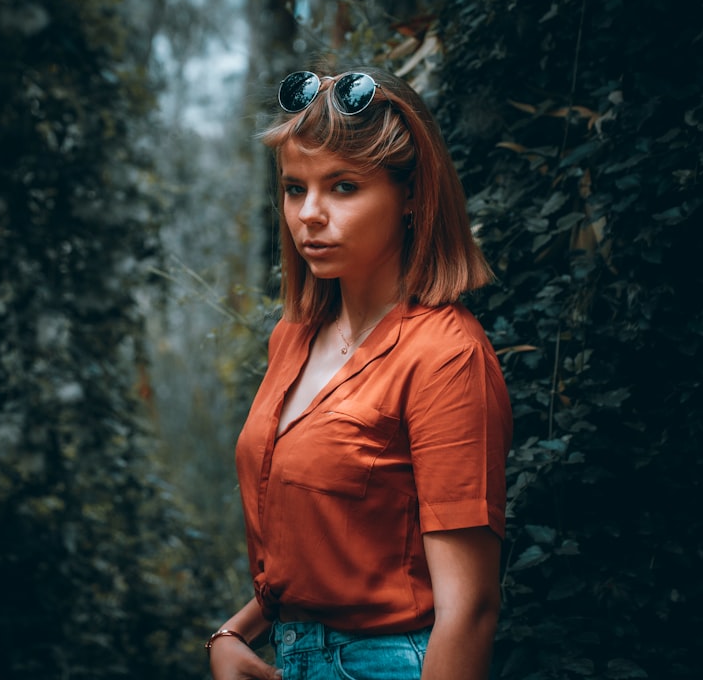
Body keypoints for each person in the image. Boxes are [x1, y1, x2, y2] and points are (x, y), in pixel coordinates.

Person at [206, 68, 513, 680]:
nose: (310, 215)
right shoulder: (292, 338)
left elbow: (470, 610)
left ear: (413, 198)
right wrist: (232, 636)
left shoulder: (446, 356)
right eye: (296, 189)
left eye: (343, 187)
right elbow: (332, 547)